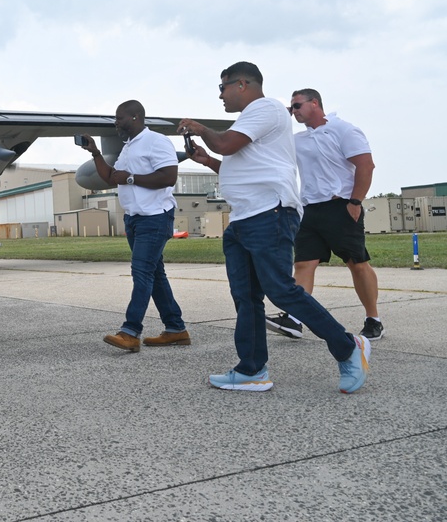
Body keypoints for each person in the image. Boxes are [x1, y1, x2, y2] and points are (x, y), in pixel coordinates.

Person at [178, 61, 370, 393]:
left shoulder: (265, 108)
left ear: (241, 84)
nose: (220, 96)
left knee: (281, 289)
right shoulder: (250, 122)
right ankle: (252, 370)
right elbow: (237, 164)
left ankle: (348, 346)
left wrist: (200, 128)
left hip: (270, 213)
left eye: (221, 88)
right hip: (243, 217)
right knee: (246, 297)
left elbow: (224, 143)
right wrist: (207, 160)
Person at [266, 89, 383, 341]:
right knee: (303, 263)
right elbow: (267, 143)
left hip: (340, 207)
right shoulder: (298, 139)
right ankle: (295, 320)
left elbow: (366, 164)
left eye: (297, 106)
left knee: (356, 263)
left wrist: (355, 201)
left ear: (315, 103)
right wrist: (281, 116)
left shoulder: (343, 130)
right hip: (309, 209)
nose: (294, 111)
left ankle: (373, 319)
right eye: (291, 108)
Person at [78, 100, 191, 352]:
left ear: (136, 117)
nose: (116, 123)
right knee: (155, 275)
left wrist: (130, 178)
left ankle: (130, 332)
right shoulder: (128, 148)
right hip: (135, 219)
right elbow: (110, 177)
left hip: (155, 217)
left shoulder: (157, 141)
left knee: (141, 272)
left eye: (119, 118)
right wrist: (95, 153)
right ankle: (176, 329)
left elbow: (168, 177)